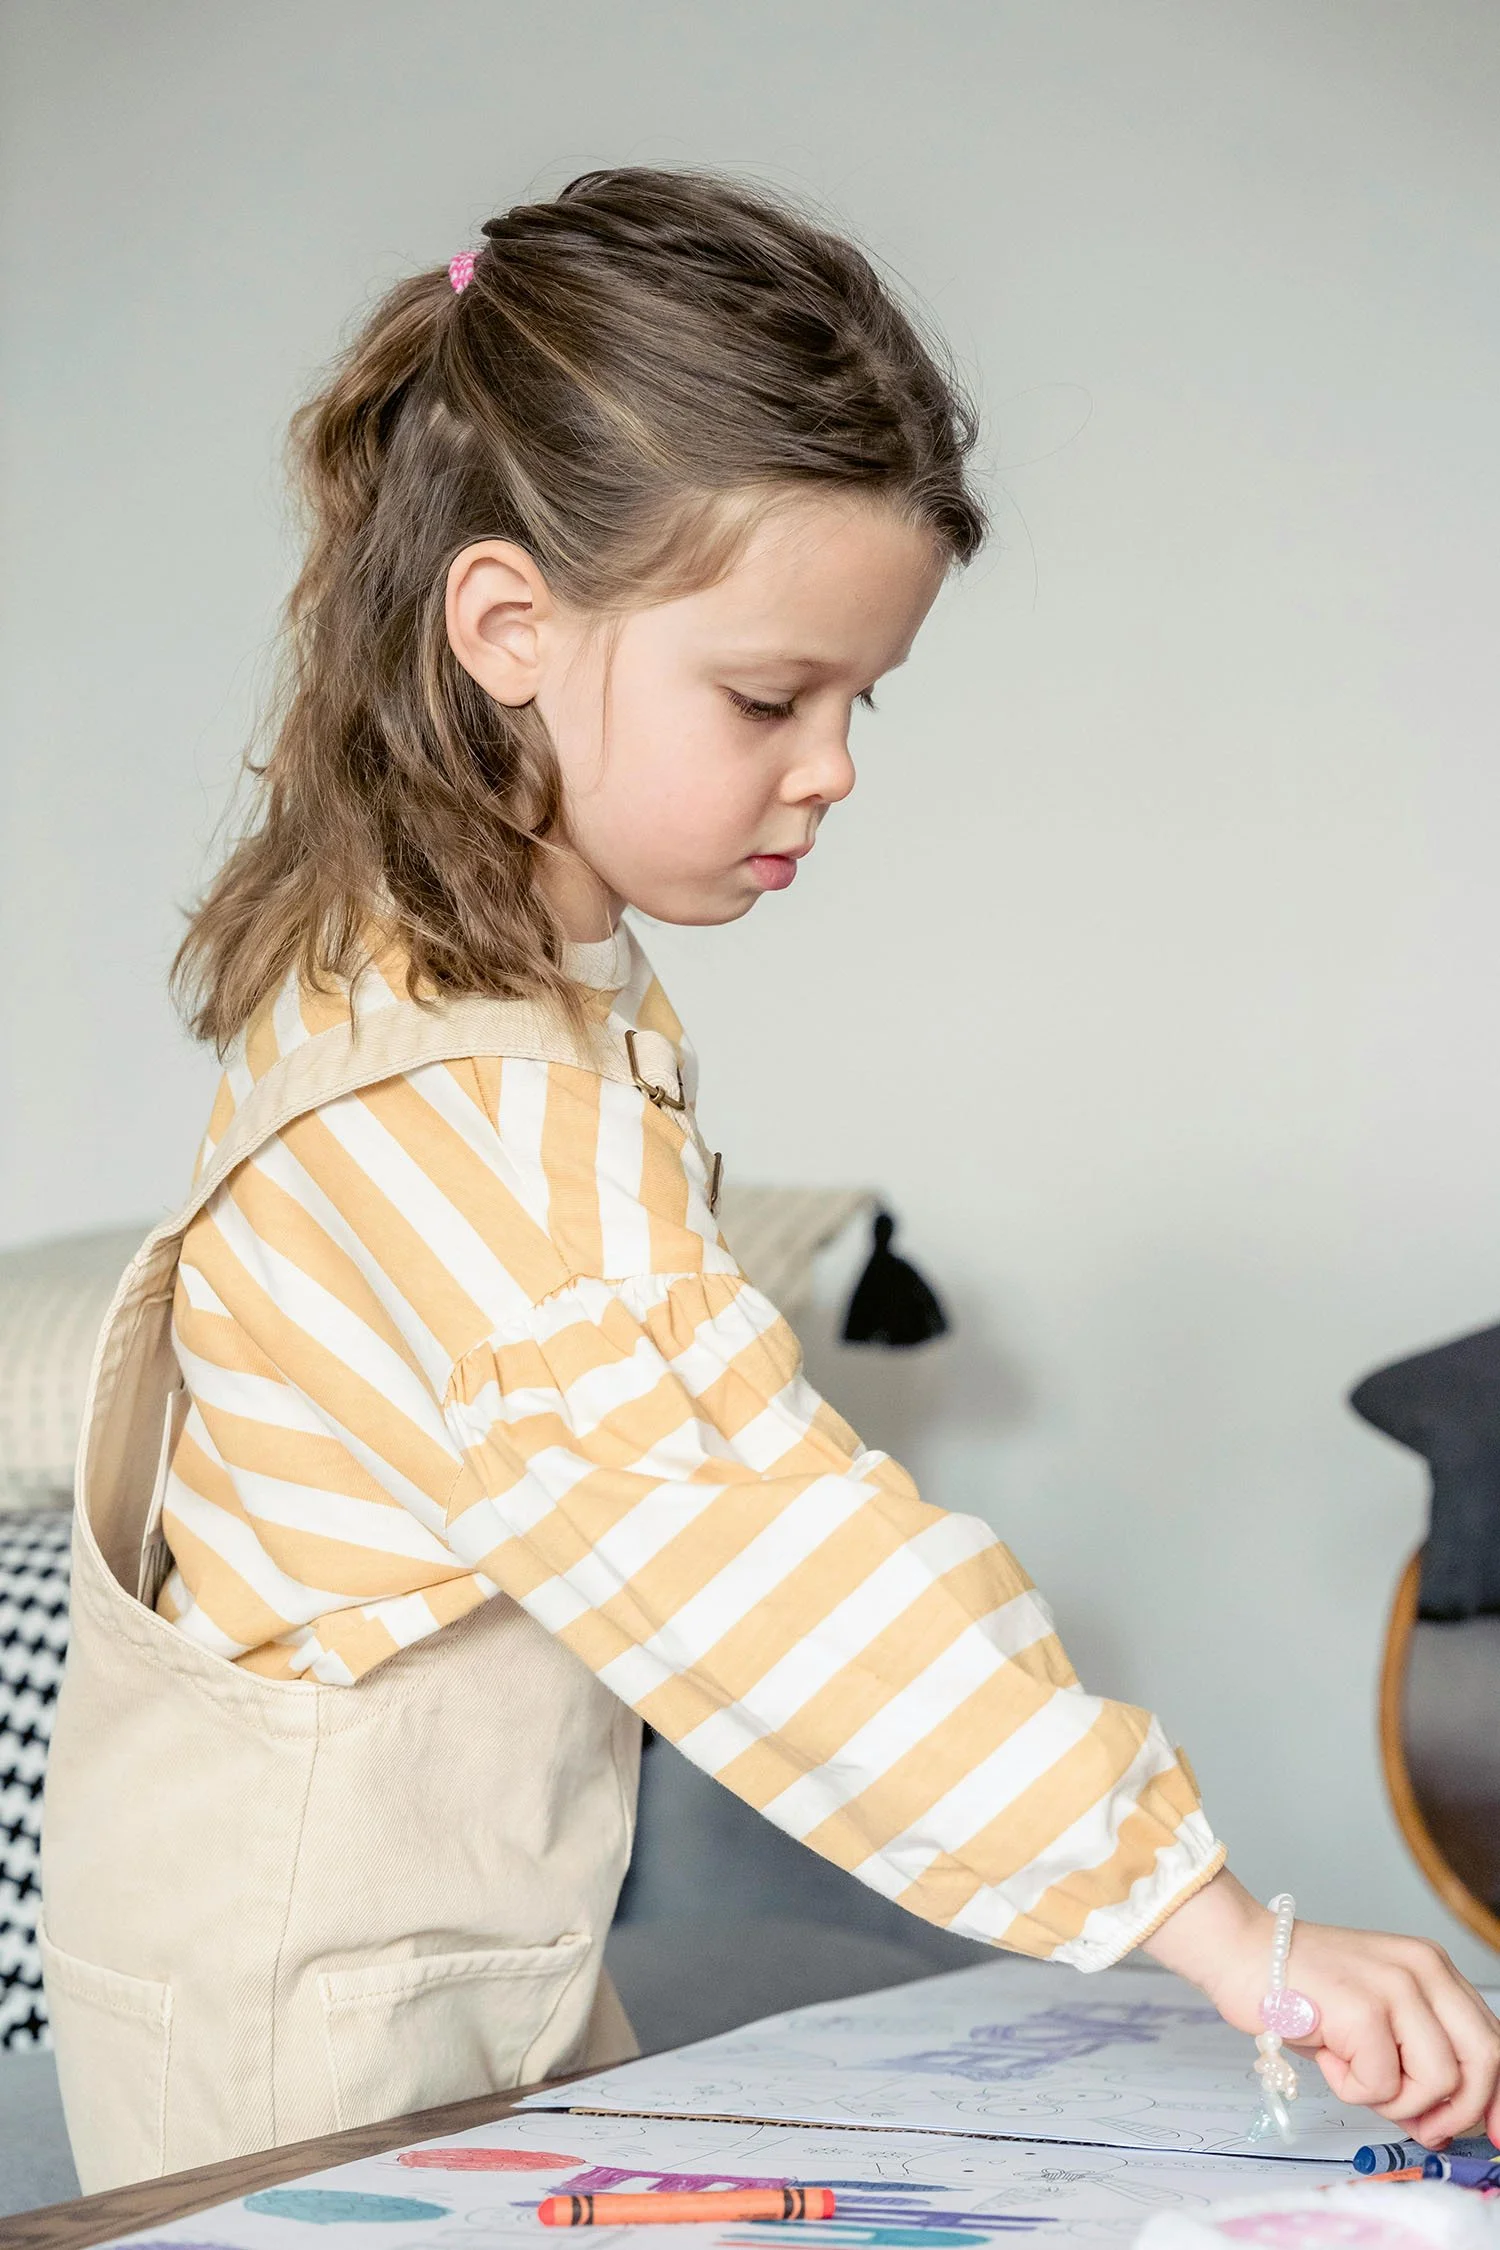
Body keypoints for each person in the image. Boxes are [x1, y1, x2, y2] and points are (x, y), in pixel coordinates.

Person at [40, 167, 1500, 2191]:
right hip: (307, 2061)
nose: (831, 766)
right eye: (768, 696)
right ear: (508, 627)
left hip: (454, 1979)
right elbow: (772, 1559)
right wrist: (1213, 1924)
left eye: (858, 697)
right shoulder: (466, 1128)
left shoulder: (448, 960)